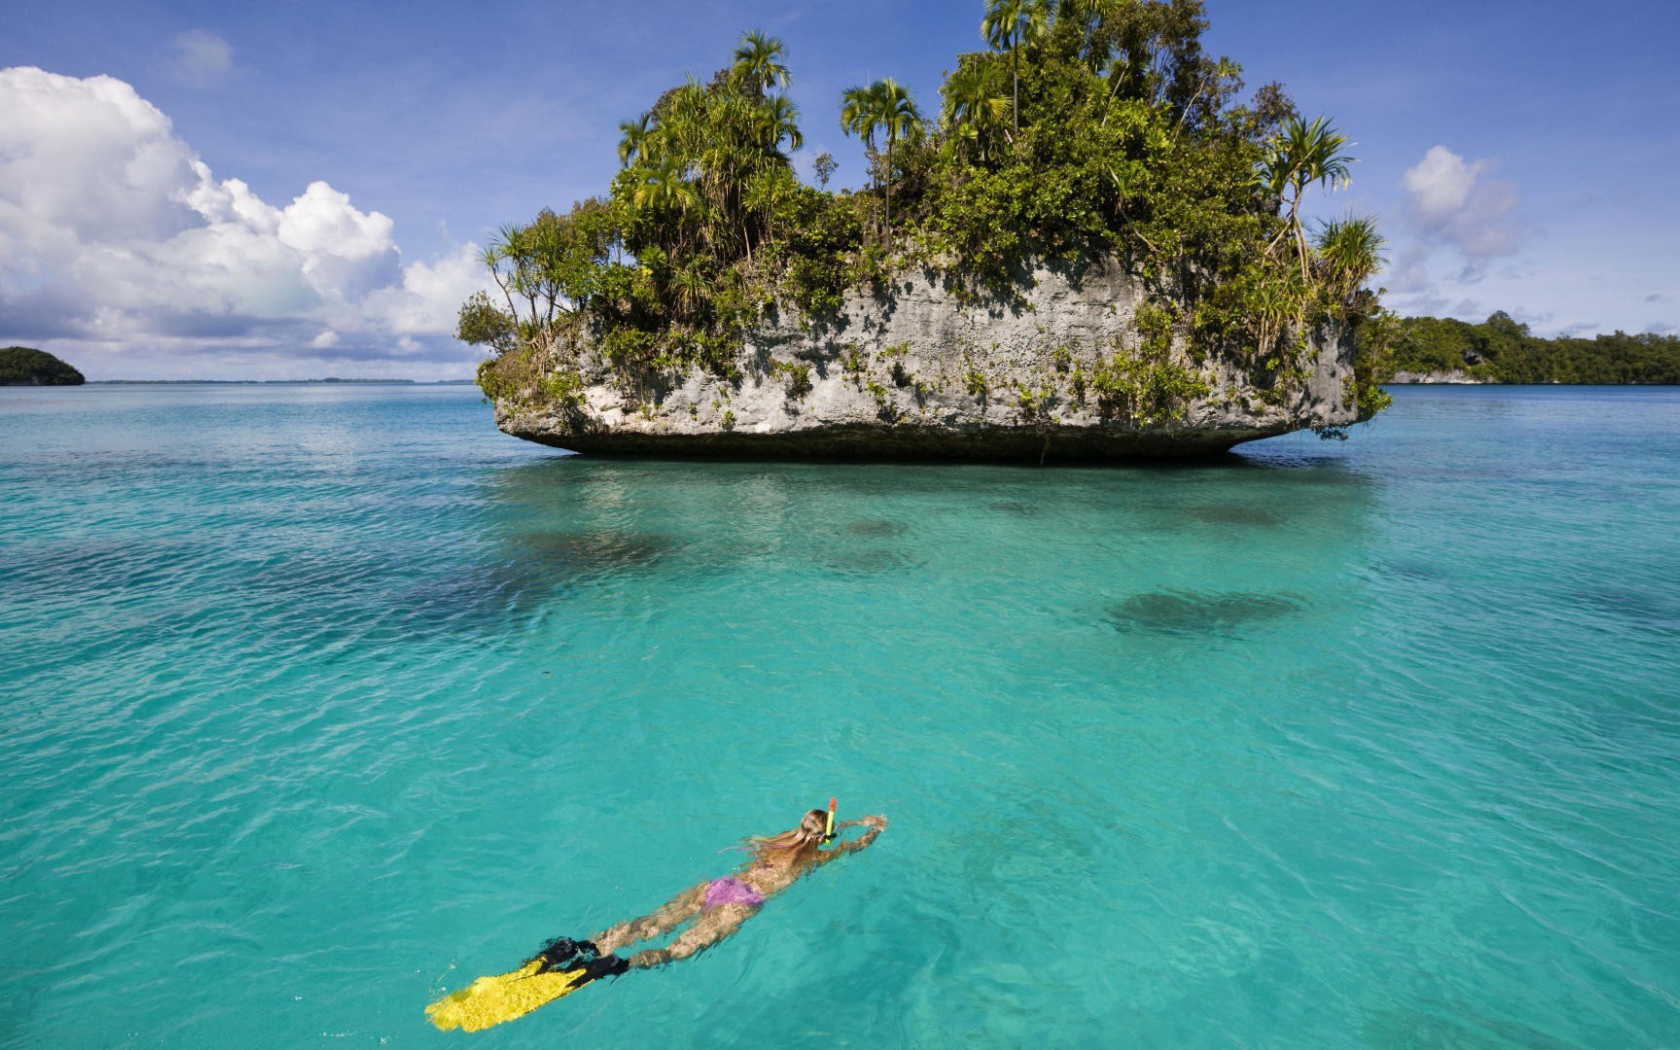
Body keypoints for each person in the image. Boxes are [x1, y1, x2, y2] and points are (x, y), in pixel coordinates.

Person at [533, 807, 888, 981]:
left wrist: (834, 824)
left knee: (649, 923)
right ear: (823, 839)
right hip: (743, 902)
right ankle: (618, 964)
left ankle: (583, 946)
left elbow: (812, 830)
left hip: (720, 886)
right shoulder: (818, 858)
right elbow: (853, 846)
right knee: (679, 948)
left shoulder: (778, 840)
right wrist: (871, 828)